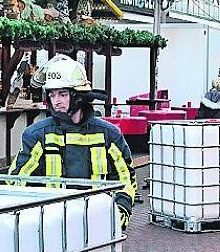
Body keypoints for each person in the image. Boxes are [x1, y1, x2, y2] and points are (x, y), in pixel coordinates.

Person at [8, 55, 136, 231]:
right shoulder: (37, 135)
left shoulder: (108, 134)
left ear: (78, 96)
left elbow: (124, 179)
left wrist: (118, 215)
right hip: (52, 227)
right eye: (52, 94)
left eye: (62, 94)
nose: (56, 101)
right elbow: (16, 183)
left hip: (98, 225)